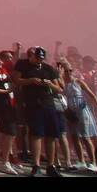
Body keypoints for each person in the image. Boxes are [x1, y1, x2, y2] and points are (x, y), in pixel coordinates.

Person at [12, 45, 64, 177]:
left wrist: (49, 84)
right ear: (31, 55)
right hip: (33, 105)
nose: (39, 61)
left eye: (41, 59)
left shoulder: (48, 68)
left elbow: (59, 88)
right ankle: (36, 165)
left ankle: (51, 165)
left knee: (51, 135)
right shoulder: (22, 64)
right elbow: (16, 80)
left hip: (49, 103)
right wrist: (31, 81)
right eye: (36, 58)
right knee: (36, 134)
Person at [60, 60, 97, 172]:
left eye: (70, 70)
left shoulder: (78, 81)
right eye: (66, 70)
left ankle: (93, 162)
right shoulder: (61, 82)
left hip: (81, 110)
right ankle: (81, 161)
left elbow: (90, 93)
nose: (68, 72)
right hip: (69, 111)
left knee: (85, 137)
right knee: (74, 136)